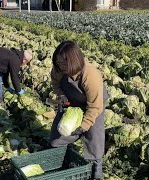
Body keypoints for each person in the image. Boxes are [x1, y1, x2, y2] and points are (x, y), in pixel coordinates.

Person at [50, 41, 107, 180]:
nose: (60, 67)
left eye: (63, 63)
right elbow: (55, 84)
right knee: (58, 134)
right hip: (72, 103)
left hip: (94, 105)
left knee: (94, 136)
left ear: (74, 60)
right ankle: (61, 157)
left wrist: (84, 126)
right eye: (58, 63)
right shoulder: (58, 70)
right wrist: (61, 95)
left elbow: (94, 106)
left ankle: (97, 167)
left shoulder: (90, 75)